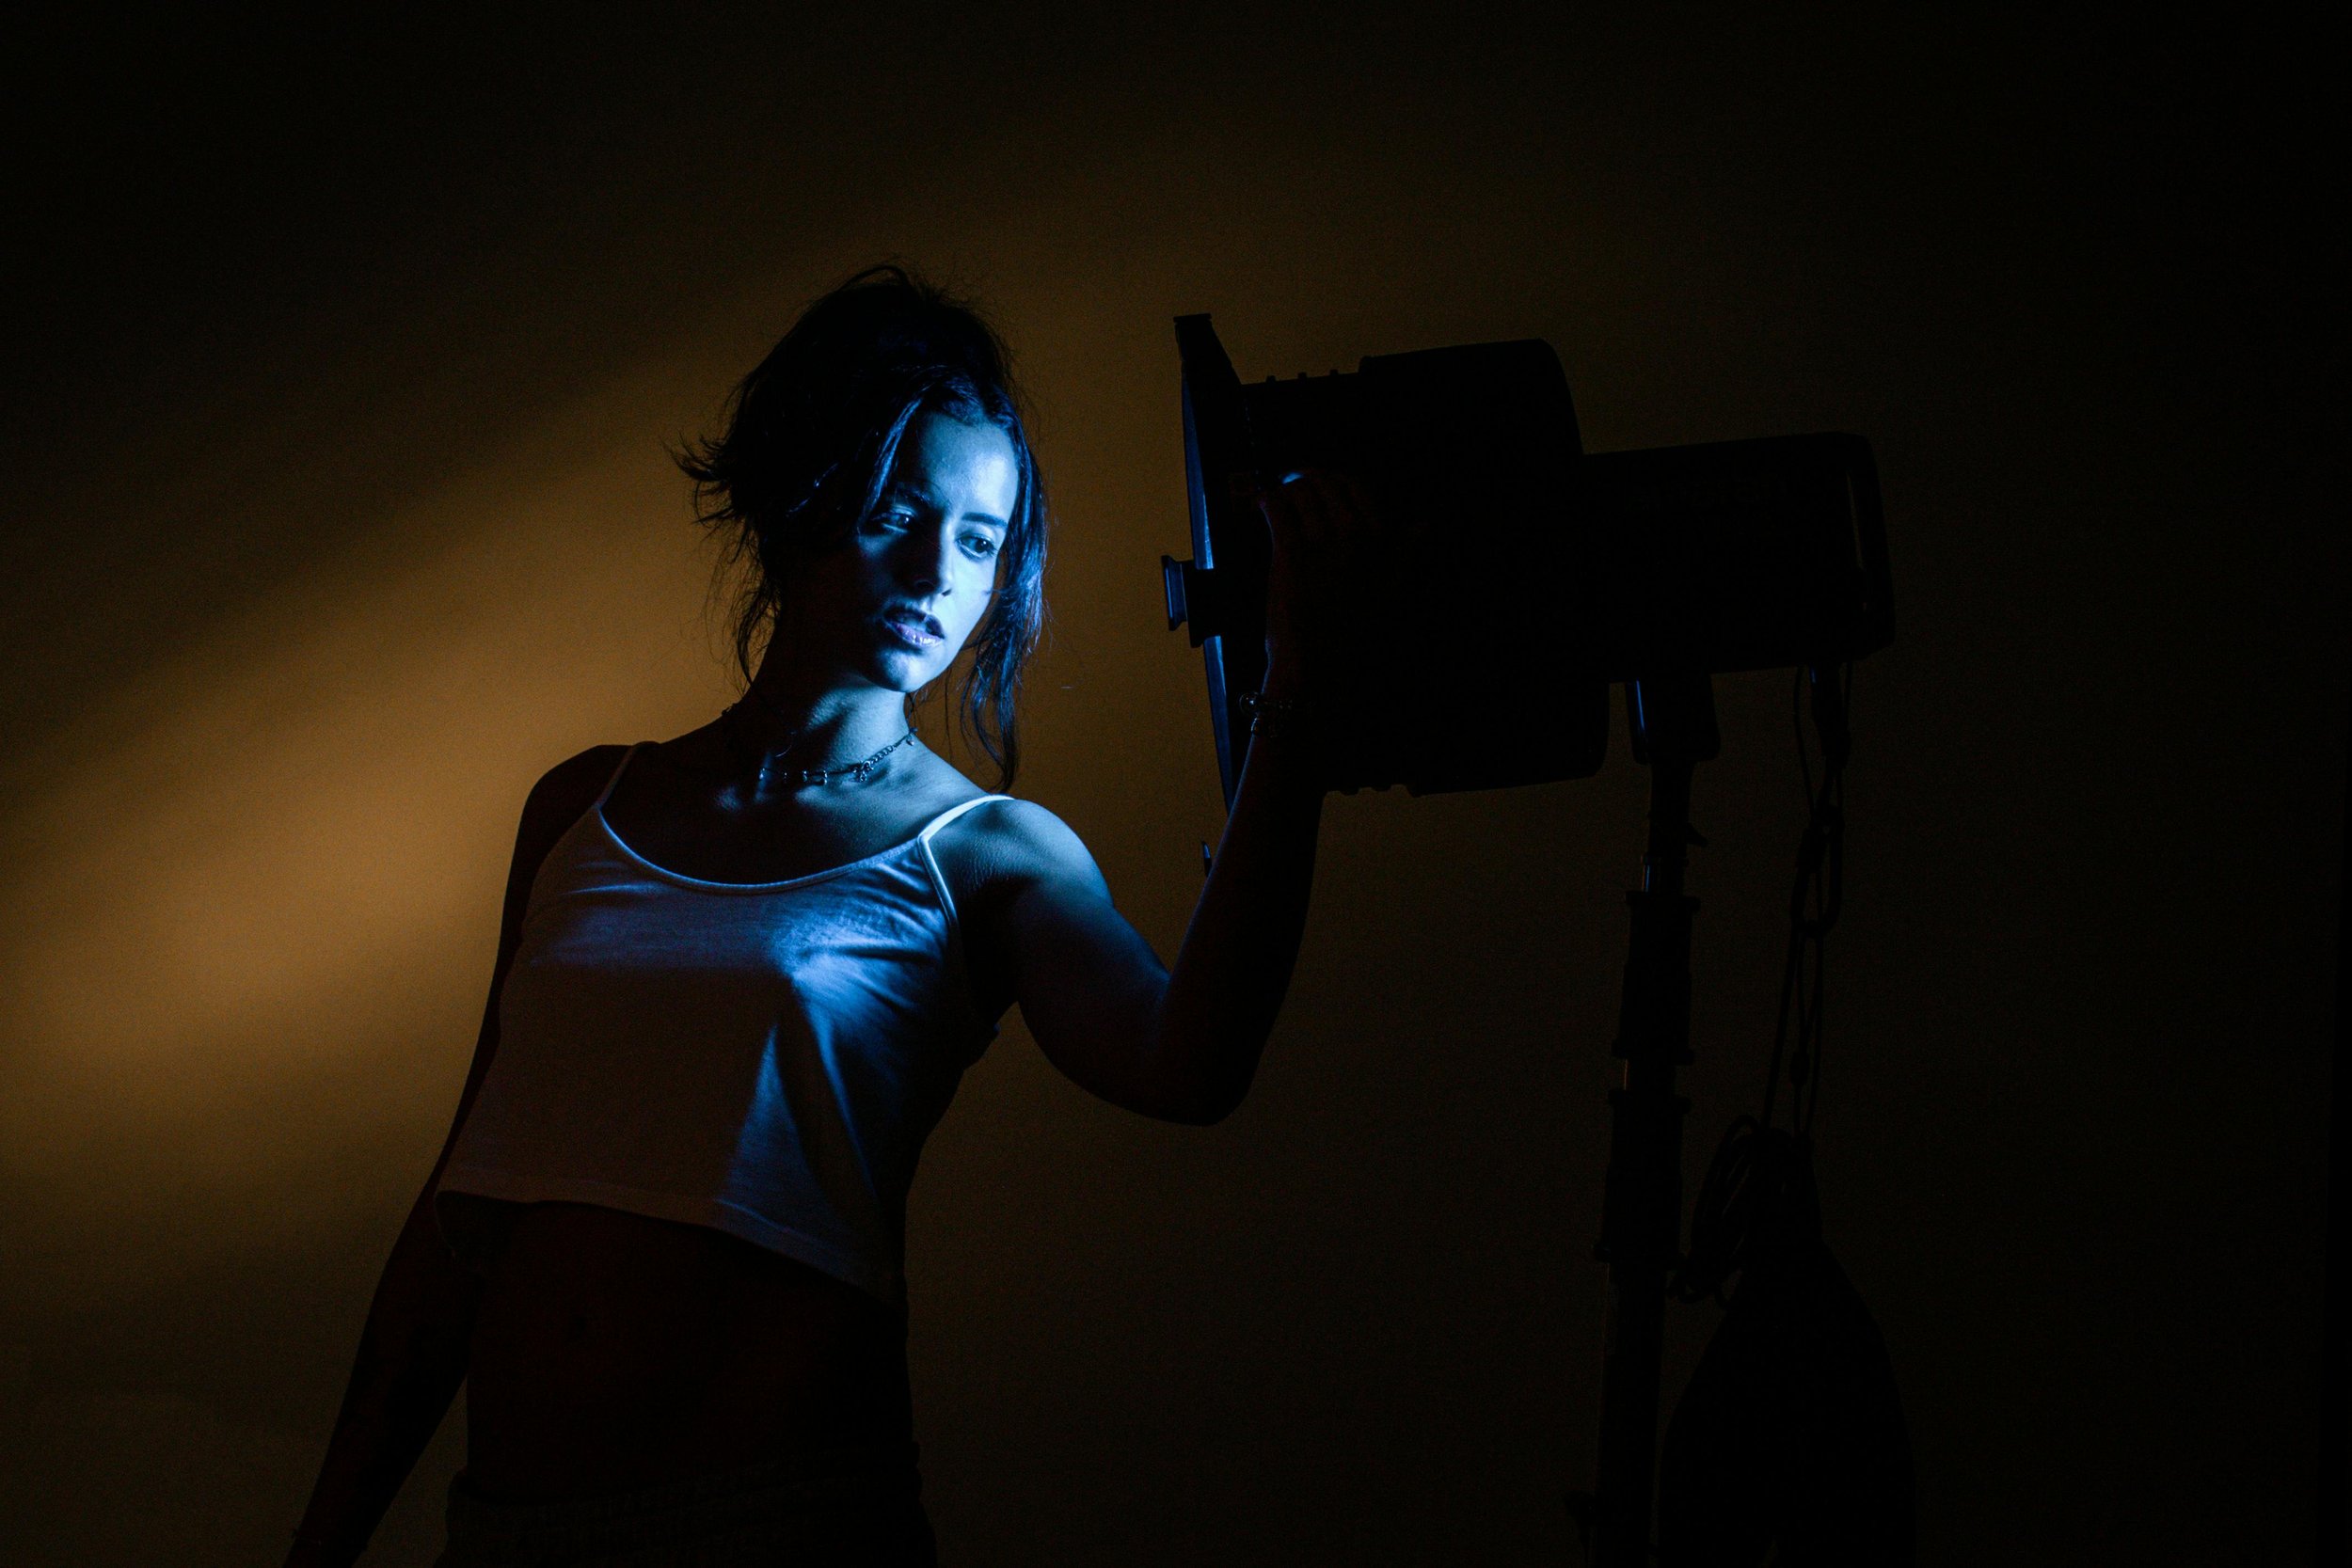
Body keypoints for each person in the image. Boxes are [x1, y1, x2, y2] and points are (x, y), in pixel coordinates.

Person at [284, 266, 1375, 1567]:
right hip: (509, 1536)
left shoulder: (989, 856)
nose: (936, 572)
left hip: (783, 1526)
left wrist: (1295, 717)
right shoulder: (583, 807)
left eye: (979, 541)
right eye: (898, 512)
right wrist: (319, 1548)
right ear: (799, 498)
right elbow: (459, 1220)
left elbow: (1189, 1064)